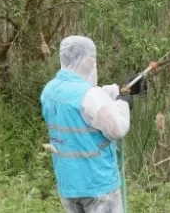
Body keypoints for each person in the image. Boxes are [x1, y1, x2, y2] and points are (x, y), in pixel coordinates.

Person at [40, 35, 146, 213]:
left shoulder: (51, 89)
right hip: (98, 185)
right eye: (91, 58)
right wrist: (123, 103)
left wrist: (117, 90)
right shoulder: (89, 96)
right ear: (85, 60)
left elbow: (86, 101)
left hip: (69, 185)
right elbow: (117, 129)